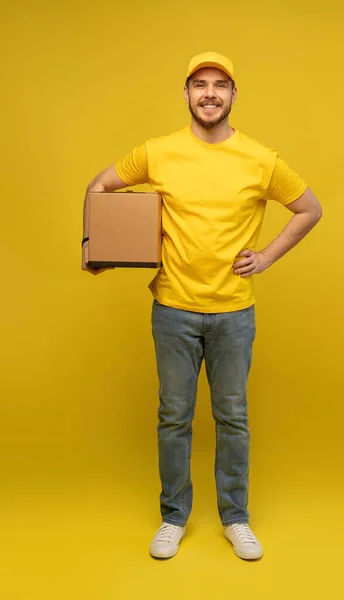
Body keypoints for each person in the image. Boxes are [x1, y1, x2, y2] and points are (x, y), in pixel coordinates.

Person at [81, 51, 322, 560]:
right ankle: (173, 517)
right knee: (174, 416)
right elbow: (98, 186)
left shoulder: (260, 158)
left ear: (234, 96)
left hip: (234, 311)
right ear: (186, 94)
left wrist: (268, 256)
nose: (209, 93)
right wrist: (96, 246)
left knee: (232, 417)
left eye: (219, 85)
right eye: (199, 84)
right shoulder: (157, 152)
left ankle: (235, 518)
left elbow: (308, 208)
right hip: (172, 308)